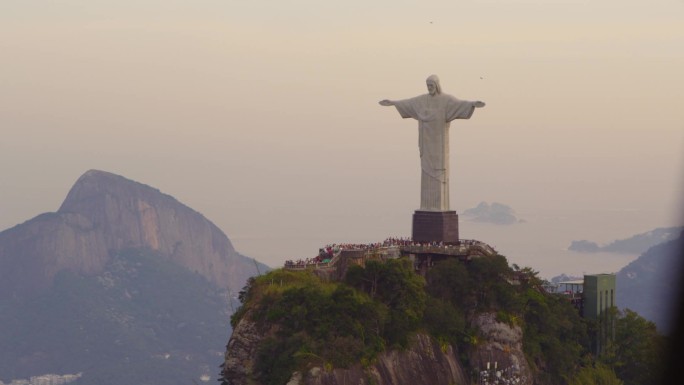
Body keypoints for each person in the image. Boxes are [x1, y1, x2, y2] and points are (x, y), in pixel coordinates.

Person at [379, 75, 485, 211]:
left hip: (439, 149)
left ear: (437, 85)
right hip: (426, 146)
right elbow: (408, 103)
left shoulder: (446, 100)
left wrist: (472, 104)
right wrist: (394, 102)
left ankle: (438, 207)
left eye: (431, 86)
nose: (429, 88)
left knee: (439, 176)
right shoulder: (422, 101)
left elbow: (460, 104)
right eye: (427, 86)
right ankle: (427, 207)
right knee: (426, 175)